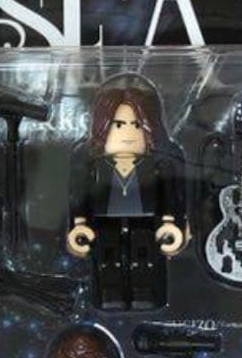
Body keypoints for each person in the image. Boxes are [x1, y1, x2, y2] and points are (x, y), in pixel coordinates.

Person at [67, 81, 186, 310]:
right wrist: (80, 225)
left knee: (144, 260)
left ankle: (144, 294)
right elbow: (82, 198)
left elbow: (167, 196)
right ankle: (110, 294)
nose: (128, 133)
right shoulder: (97, 168)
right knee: (108, 261)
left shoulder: (152, 167)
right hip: (105, 226)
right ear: (103, 128)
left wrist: (169, 223)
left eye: (137, 125)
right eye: (119, 125)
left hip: (145, 224)